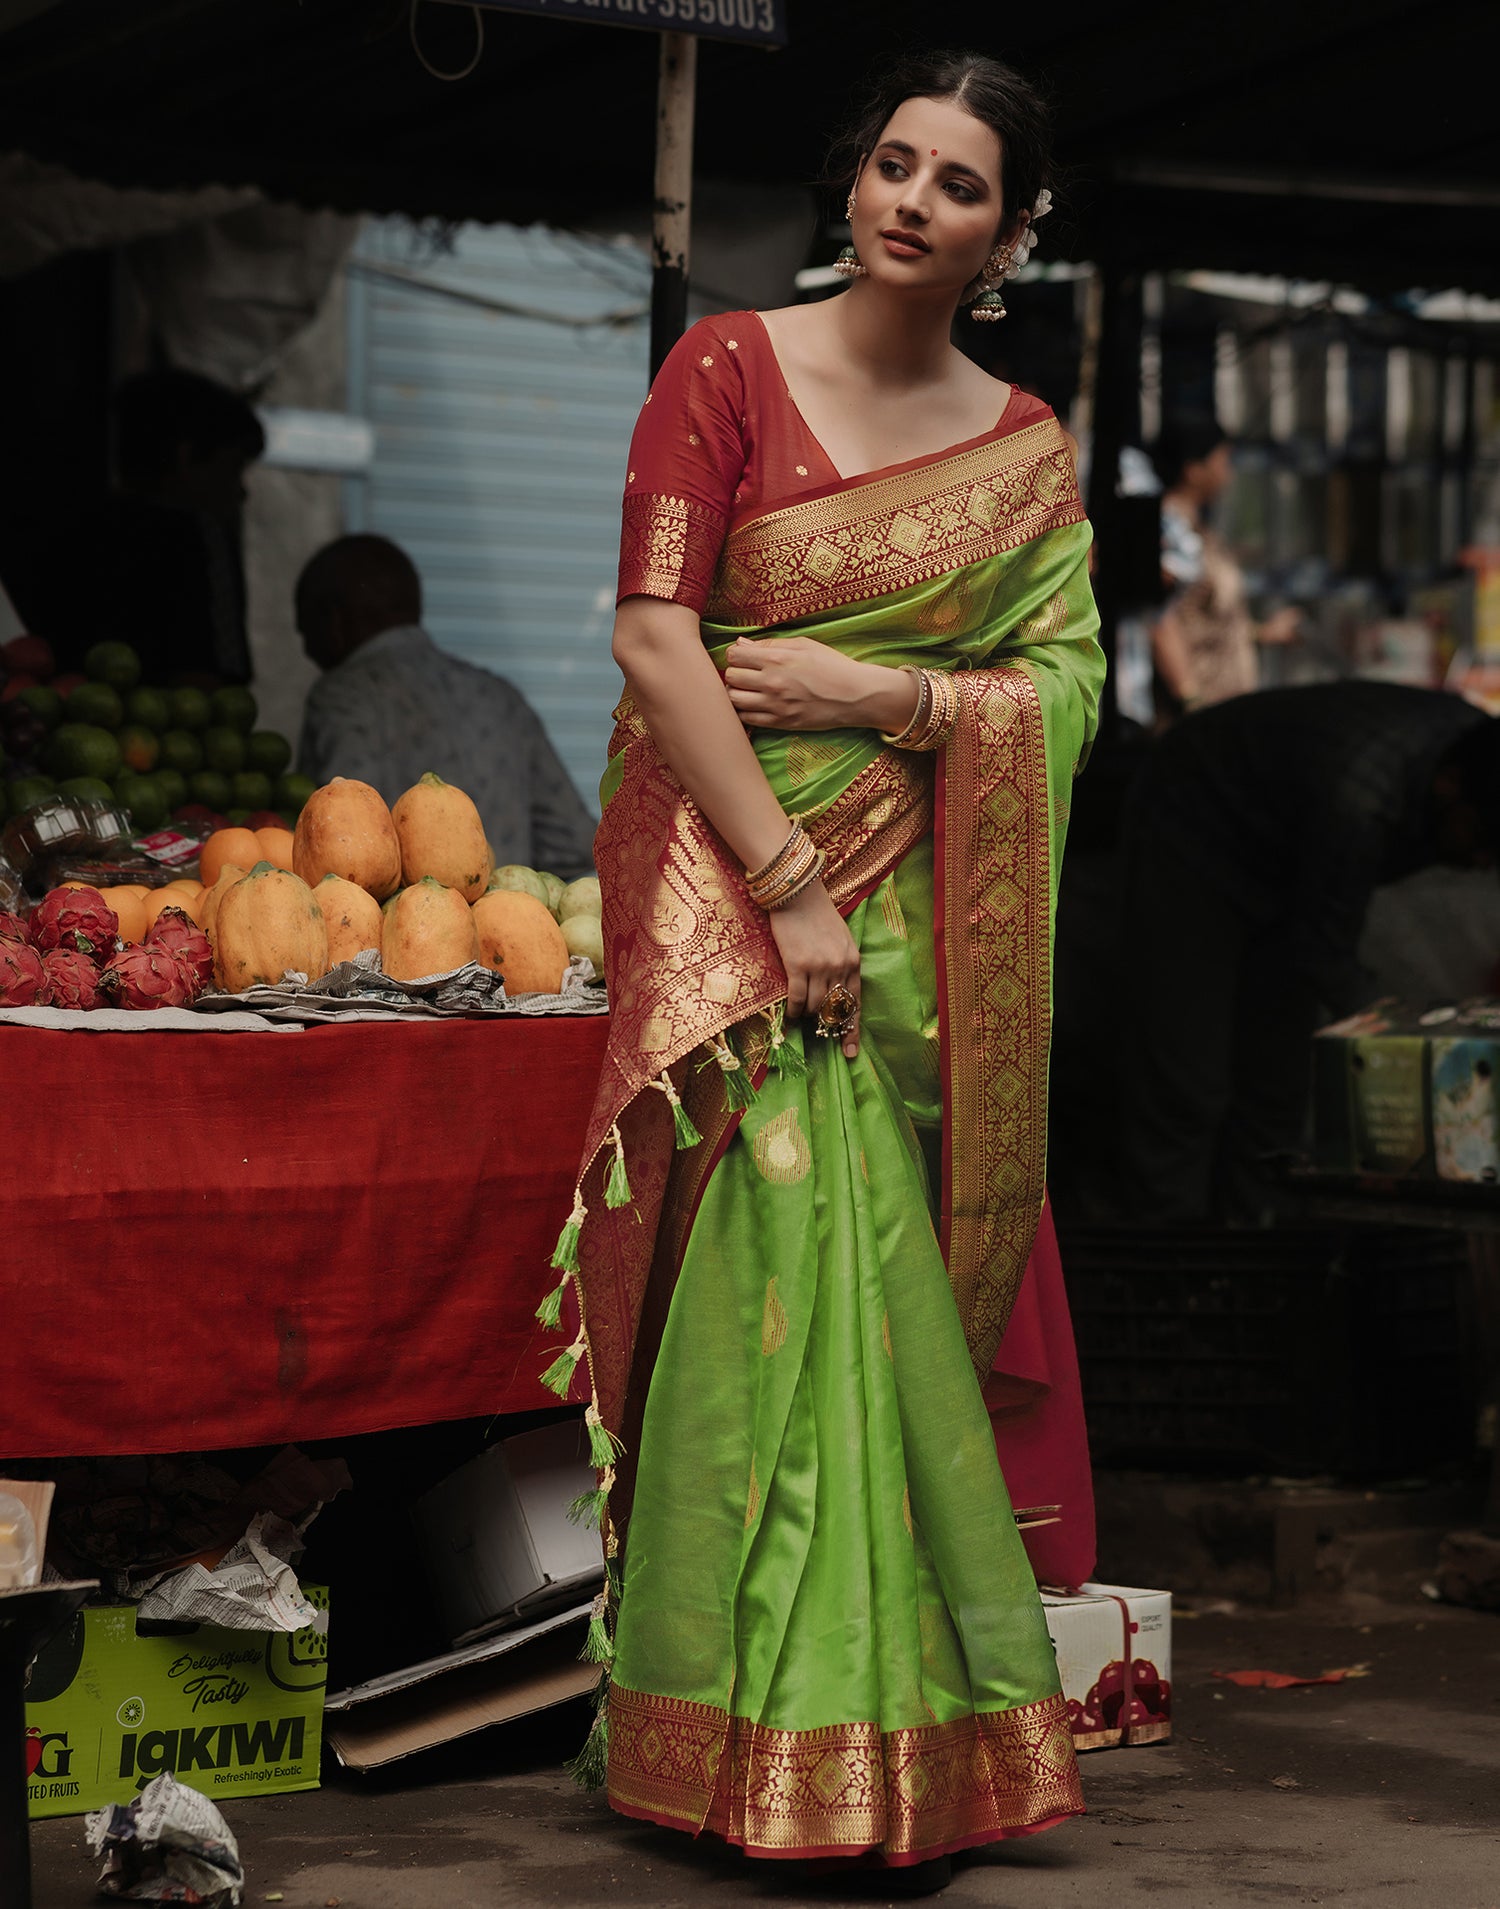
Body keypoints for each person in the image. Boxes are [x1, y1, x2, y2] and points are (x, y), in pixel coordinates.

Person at [534, 51, 1105, 1888]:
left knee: (878, 1312)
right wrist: (784, 885)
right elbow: (651, 630)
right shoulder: (724, 369)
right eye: (892, 162)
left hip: (927, 935)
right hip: (737, 899)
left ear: (1009, 233)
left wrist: (893, 696)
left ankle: (891, 1736)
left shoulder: (1020, 448)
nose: (908, 200)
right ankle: (737, 1736)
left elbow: (1067, 685)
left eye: (956, 184)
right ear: (851, 177)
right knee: (784, 1278)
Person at [1118, 681, 1497, 1224]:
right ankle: (1170, 1267)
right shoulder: (1362, 795)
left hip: (1289, 852)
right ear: (1449, 787)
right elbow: (1325, 952)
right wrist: (1421, 1049)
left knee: (1277, 1092)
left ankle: (1253, 1258)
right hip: (1193, 830)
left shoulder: (1466, 752)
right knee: (1186, 1083)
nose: (1483, 861)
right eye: (1481, 839)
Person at [294, 534, 597, 878]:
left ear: (332, 621)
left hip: (406, 928)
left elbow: (333, 850)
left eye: (304, 632)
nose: (307, 651)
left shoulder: (340, 697)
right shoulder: (499, 696)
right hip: (509, 924)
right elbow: (572, 843)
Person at [74, 368, 265, 684]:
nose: (241, 491)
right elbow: (219, 676)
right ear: (186, 458)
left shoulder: (82, 527)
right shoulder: (203, 537)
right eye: (233, 468)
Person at [1149, 415, 1301, 722]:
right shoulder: (1168, 531)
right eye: (1222, 461)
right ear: (1193, 469)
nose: (1228, 473)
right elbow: (1159, 619)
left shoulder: (1198, 530)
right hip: (1197, 719)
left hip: (1224, 709)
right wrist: (1189, 697)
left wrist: (1261, 632)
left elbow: (1205, 617)